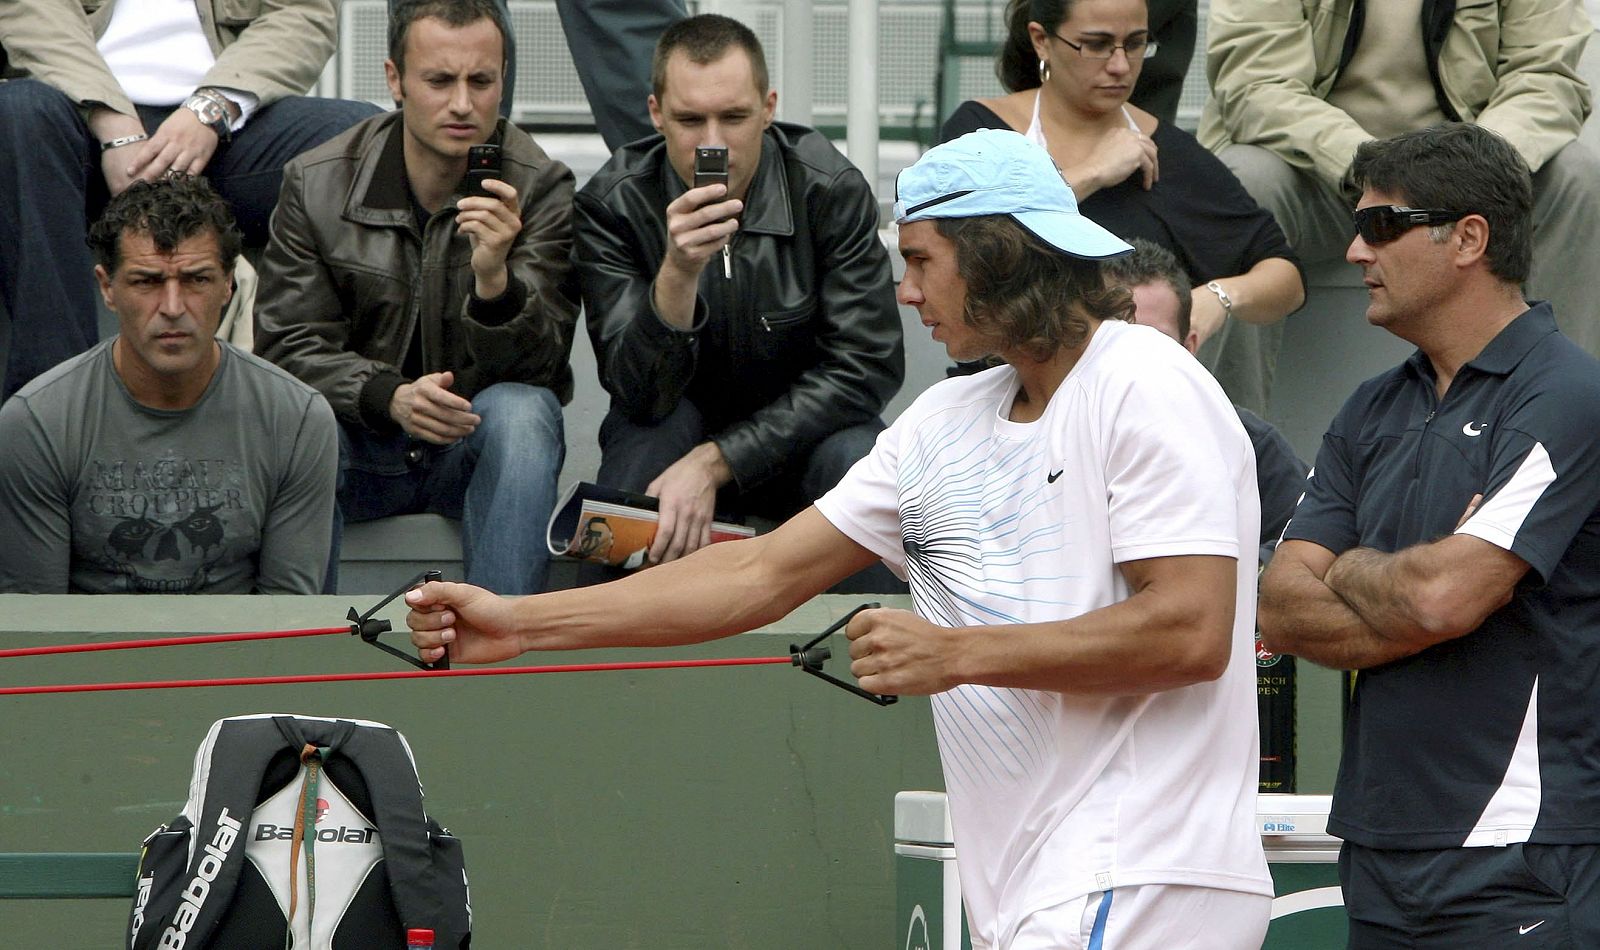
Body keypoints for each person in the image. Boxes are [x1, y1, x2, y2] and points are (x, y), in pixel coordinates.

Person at [408, 129, 1272, 949]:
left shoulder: (1145, 380)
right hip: (1037, 890)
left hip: (1145, 875)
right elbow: (755, 572)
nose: (905, 291)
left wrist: (956, 653)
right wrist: (523, 624)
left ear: (998, 254)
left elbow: (1189, 632)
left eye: (924, 261)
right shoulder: (945, 420)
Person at [1259, 124, 1600, 944]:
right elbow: (1279, 607)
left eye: (1380, 226)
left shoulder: (1567, 396)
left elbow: (1446, 598)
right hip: (1377, 849)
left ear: (1469, 239)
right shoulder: (1370, 407)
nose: (1352, 251)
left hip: (1520, 855)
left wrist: (1345, 570)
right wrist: (1403, 591)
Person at [254, 0, 578, 596]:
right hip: (360, 449)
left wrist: (494, 284)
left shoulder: (540, 186)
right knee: (302, 426)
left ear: (502, 81)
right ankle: (303, 661)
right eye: (439, 80)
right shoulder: (317, 180)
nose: (463, 103)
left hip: (469, 448)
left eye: (481, 81)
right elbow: (284, 349)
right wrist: (389, 396)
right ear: (395, 80)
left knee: (526, 413)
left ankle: (500, 663)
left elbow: (542, 370)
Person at [573, 14, 904, 570]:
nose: (713, 142)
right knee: (644, 451)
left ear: (769, 107)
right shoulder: (615, 203)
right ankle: (602, 651)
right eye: (689, 119)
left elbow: (865, 367)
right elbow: (639, 395)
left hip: (804, 441)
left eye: (733, 117)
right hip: (672, 430)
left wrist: (720, 460)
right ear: (655, 114)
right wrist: (677, 273)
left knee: (862, 460)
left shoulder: (827, 189)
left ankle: (881, 647)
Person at [1201, 0, 1600, 406]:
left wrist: (1467, 165)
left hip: (1462, 179)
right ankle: (1229, 444)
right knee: (1242, 181)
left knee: (1576, 178)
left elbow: (1547, 76)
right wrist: (1375, 168)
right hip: (1322, 173)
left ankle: (1565, 419)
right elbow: (1257, 84)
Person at [0, 0, 380, 402]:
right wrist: (111, 118)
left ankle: (338, 399)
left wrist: (209, 109)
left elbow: (302, 13)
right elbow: (33, 10)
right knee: (17, 111)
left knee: (363, 139)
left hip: (226, 126)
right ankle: (53, 402)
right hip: (77, 116)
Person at [940, 0, 1304, 412]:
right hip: (1002, 400)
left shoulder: (1168, 153)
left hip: (1135, 409)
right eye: (1096, 45)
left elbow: (1284, 275)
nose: (1120, 65)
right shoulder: (982, 132)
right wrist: (1092, 171)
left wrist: (1218, 296)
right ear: (1042, 40)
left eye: (1135, 44)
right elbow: (958, 239)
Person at [0, 176, 336, 594]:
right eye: (147, 281)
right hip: (89, 654)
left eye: (196, 279)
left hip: (240, 654)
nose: (173, 308)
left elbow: (287, 617)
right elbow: (38, 627)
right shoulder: (37, 421)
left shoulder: (297, 418)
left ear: (229, 283)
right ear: (108, 287)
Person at [1103, 238, 1306, 563]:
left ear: (1189, 347)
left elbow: (1303, 547)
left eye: (1151, 340)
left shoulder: (1248, 444)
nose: (1131, 357)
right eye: (1114, 337)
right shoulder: (1044, 430)